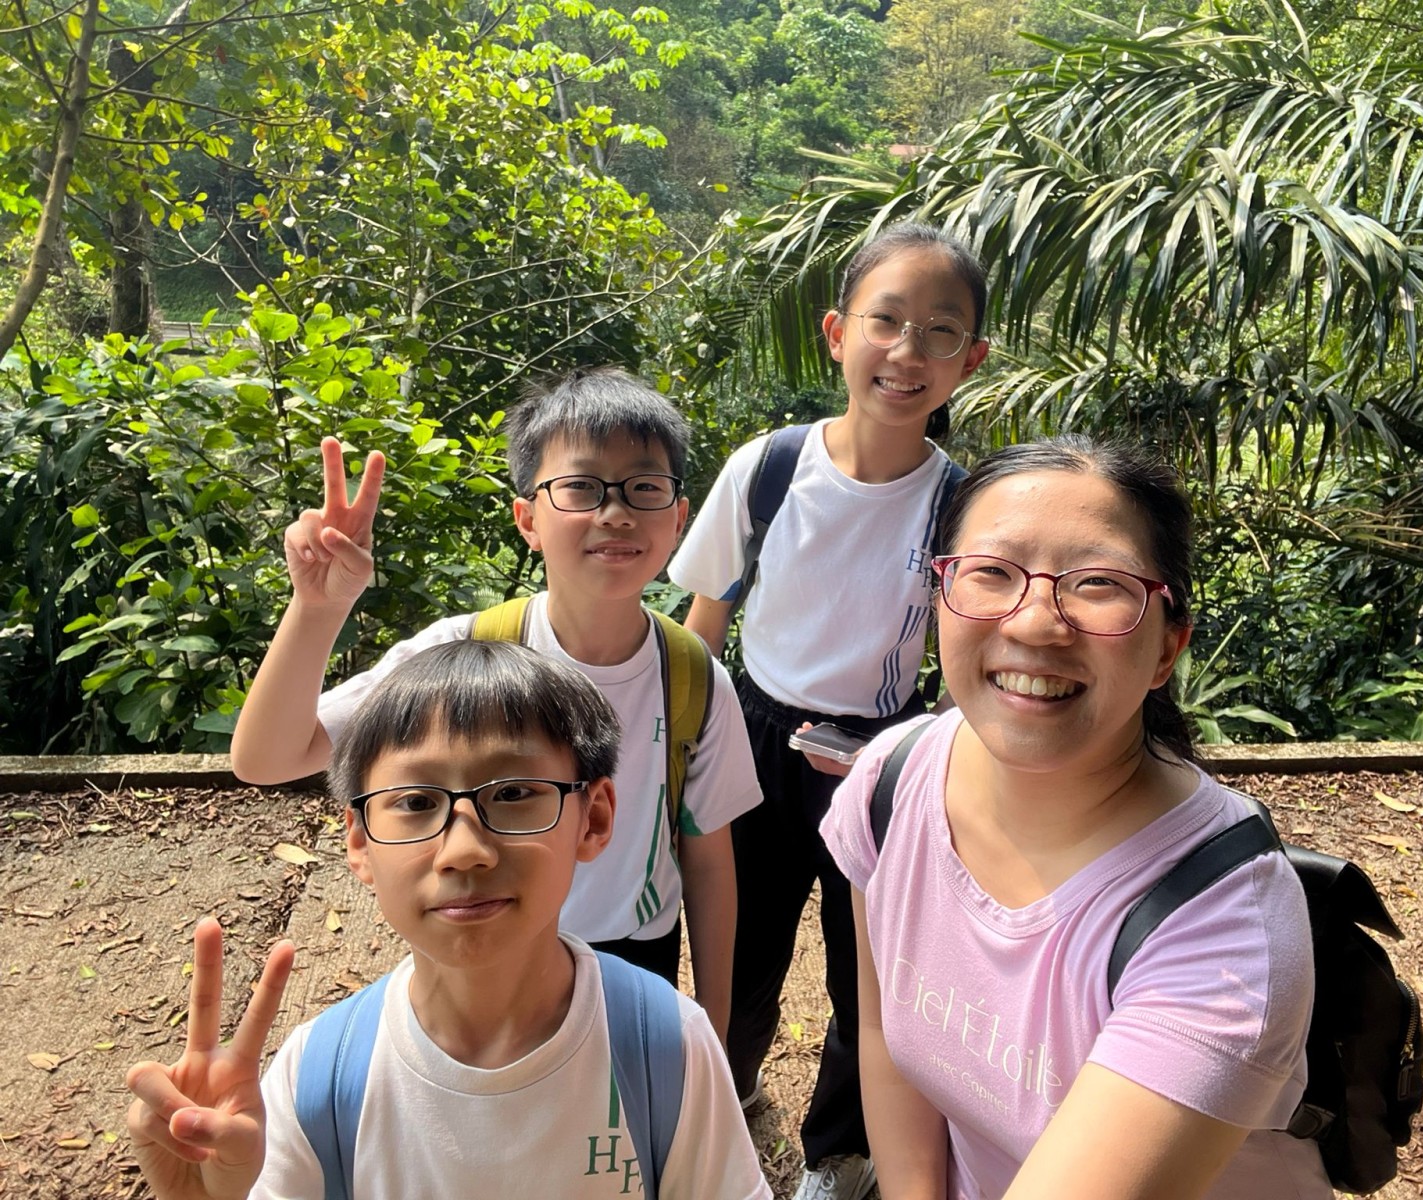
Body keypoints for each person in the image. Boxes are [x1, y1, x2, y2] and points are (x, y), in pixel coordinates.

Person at [820, 436, 1329, 1200]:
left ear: (1167, 650)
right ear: (941, 599)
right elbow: (884, 1035)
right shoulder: (891, 783)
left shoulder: (1225, 933)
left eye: (1097, 584)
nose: (1034, 624)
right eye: (991, 572)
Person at [127, 639, 772, 1198]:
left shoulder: (665, 1047)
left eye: (513, 793)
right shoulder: (317, 1079)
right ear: (360, 842)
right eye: (414, 802)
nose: (464, 849)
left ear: (595, 817)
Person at [230, 368, 760, 1042]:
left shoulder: (693, 677)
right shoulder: (465, 655)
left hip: (634, 957)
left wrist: (713, 1025)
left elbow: (708, 862)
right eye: (581, 487)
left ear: (678, 518)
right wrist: (317, 608)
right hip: (484, 938)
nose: (615, 511)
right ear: (527, 519)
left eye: (645, 487)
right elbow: (267, 759)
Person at [669, 222, 990, 1200]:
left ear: (970, 359)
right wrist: (677, 753)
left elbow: (968, 658)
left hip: (881, 754)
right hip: (754, 738)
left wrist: (928, 760)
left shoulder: (960, 506)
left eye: (939, 331)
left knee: (870, 973)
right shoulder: (769, 468)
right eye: (886, 321)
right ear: (837, 332)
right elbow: (704, 625)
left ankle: (838, 1155)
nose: (907, 351)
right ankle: (731, 1087)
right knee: (739, 949)